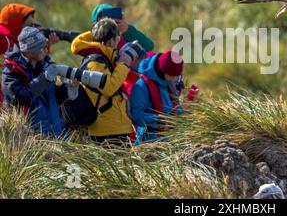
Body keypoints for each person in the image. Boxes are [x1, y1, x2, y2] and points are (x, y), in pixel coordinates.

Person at [71, 18, 133, 146]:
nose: (118, 42)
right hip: (106, 131)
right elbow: (109, 87)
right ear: (111, 40)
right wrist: (123, 65)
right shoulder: (95, 61)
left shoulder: (104, 57)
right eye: (117, 38)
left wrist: (101, 29)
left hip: (114, 127)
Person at [2, 27, 68, 137]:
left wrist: (68, 89)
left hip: (58, 134)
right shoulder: (11, 72)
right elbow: (23, 98)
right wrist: (45, 78)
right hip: (32, 140)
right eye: (41, 48)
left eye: (45, 46)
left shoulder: (44, 63)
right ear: (28, 52)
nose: (46, 50)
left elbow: (52, 96)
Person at [130, 50, 184, 143]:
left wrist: (182, 112)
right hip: (148, 143)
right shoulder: (141, 86)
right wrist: (159, 120)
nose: (175, 79)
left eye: (177, 76)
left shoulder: (169, 83)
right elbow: (136, 115)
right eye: (172, 75)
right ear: (162, 70)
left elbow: (174, 107)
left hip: (170, 139)